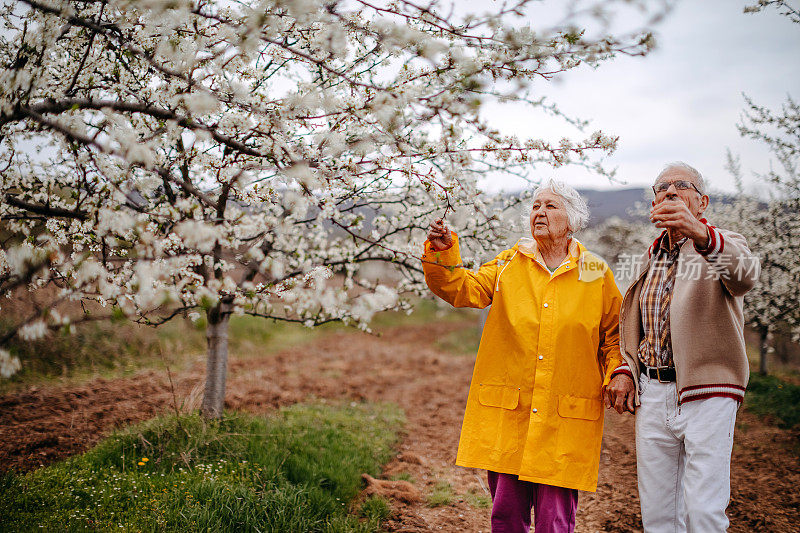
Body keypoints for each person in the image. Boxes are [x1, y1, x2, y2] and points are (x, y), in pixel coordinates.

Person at [423, 179, 623, 533]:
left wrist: (618, 373)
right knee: (506, 518)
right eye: (535, 206)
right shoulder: (509, 263)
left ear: (572, 221)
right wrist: (443, 254)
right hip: (510, 414)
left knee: (554, 522)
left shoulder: (594, 270)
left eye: (551, 206)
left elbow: (613, 333)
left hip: (564, 417)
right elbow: (461, 288)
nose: (540, 212)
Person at [604, 162, 760, 532]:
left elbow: (745, 276)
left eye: (681, 185)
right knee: (658, 513)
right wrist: (627, 368)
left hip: (707, 392)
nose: (670, 191)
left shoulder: (722, 243)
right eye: (661, 188)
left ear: (701, 201)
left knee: (704, 512)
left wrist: (700, 232)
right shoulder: (650, 256)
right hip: (653, 394)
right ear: (654, 203)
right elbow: (637, 326)